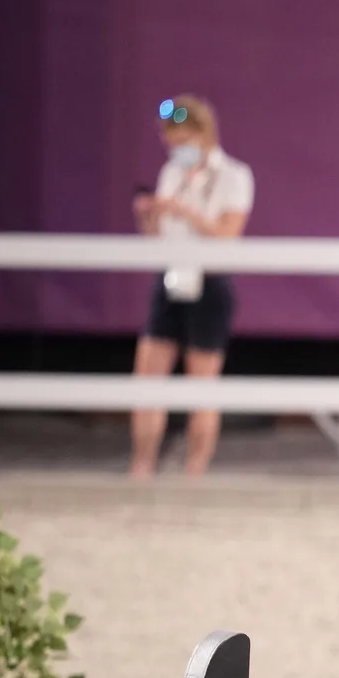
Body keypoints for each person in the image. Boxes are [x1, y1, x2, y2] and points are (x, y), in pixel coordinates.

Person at [129, 95, 254, 477]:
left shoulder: (235, 176)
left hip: (210, 282)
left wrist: (186, 211)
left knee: (202, 383)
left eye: (182, 139)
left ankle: (195, 470)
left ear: (203, 134)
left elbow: (228, 236)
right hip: (170, 278)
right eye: (171, 141)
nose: (176, 148)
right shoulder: (170, 173)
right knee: (148, 377)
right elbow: (157, 240)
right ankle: (142, 466)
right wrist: (150, 217)